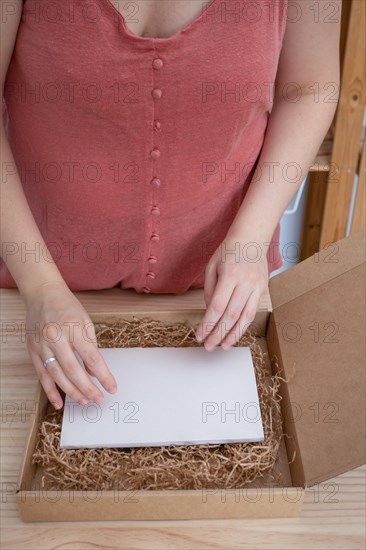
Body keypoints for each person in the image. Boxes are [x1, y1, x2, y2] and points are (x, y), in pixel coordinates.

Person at [1, 0, 341, 410]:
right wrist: (42, 288)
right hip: (31, 290)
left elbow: (309, 89)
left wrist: (249, 241)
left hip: (218, 294)